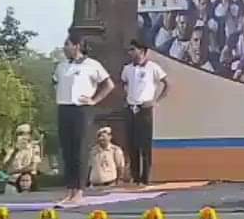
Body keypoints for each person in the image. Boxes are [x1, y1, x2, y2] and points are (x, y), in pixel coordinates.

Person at [53, 32, 115, 205]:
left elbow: (109, 85)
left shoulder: (92, 65)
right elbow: (56, 83)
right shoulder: (61, 66)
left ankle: (79, 191)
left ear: (77, 46)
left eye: (67, 44)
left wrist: (94, 100)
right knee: (67, 150)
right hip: (64, 108)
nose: (65, 48)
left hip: (81, 109)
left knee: (80, 149)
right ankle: (70, 189)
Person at [120, 39, 169, 186]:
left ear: (141, 51)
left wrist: (156, 101)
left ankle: (145, 178)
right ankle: (136, 178)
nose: (130, 52)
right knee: (132, 144)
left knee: (144, 145)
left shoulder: (153, 67)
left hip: (145, 109)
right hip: (131, 108)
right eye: (130, 50)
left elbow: (167, 83)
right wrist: (127, 98)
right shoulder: (127, 69)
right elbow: (123, 84)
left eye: (133, 49)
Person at [3, 124, 42, 190]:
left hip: (27, 185)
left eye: (25, 133)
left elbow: (32, 167)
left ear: (30, 135)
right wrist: (15, 151)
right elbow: (6, 167)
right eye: (20, 133)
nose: (23, 136)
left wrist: (13, 171)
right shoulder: (12, 149)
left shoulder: (34, 148)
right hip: (12, 183)